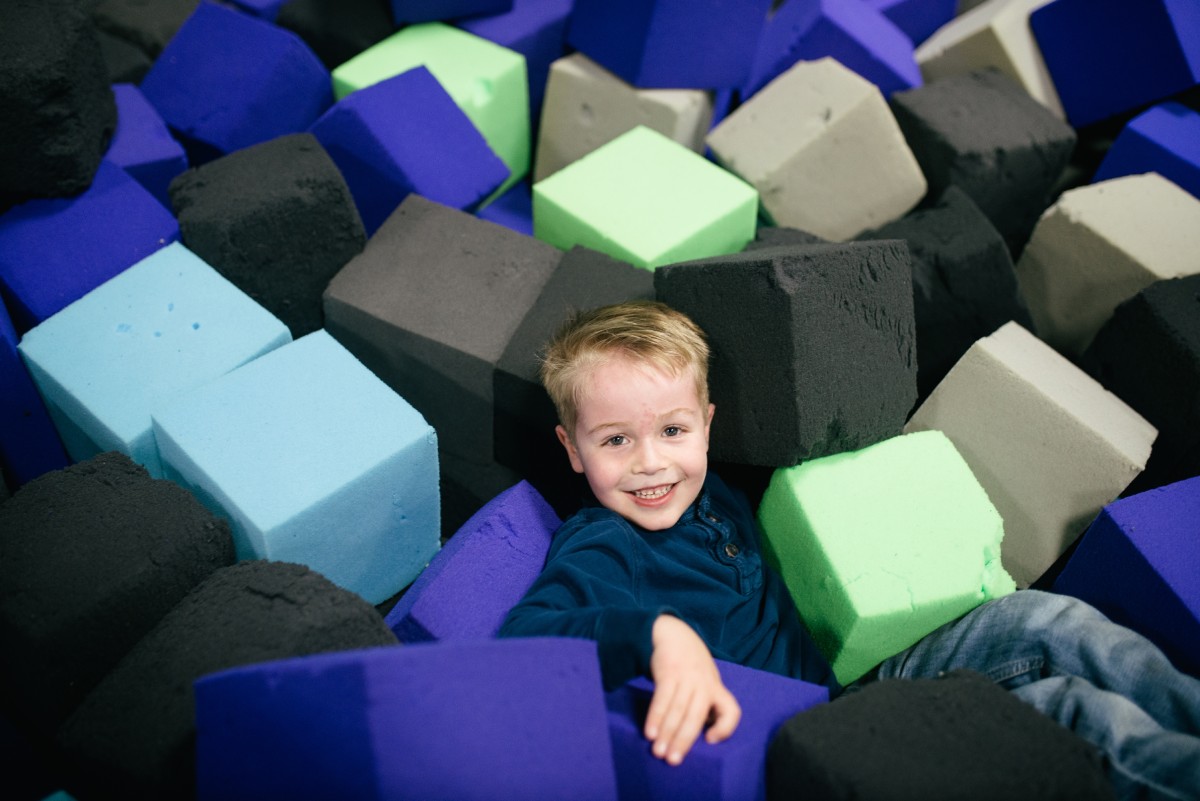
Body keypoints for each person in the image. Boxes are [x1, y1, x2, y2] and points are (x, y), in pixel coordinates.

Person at [498, 300, 1200, 799]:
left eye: (673, 431)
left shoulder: (714, 491)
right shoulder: (604, 540)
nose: (650, 462)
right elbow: (526, 636)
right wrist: (658, 635)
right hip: (808, 743)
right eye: (615, 440)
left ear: (707, 425)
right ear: (573, 449)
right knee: (1068, 710)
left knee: (1044, 621)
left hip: (850, 685)